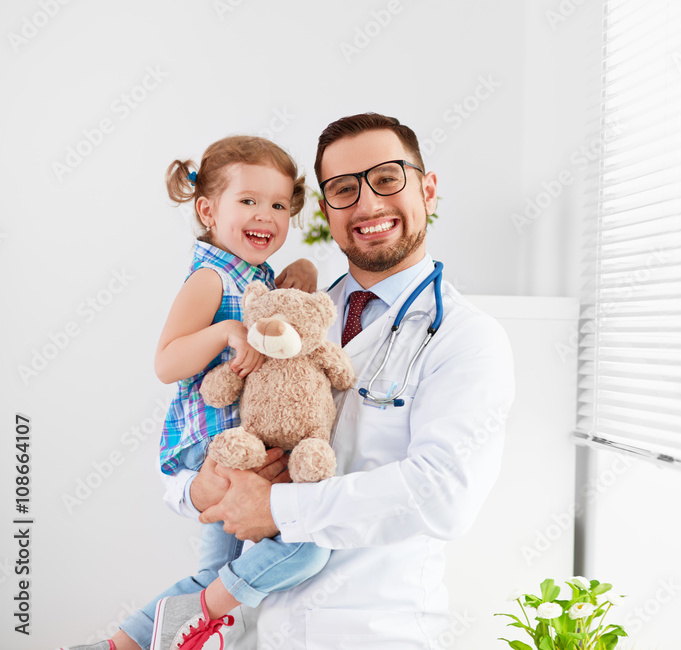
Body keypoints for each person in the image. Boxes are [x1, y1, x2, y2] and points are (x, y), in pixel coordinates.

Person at [172, 113, 516, 648]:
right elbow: (192, 423)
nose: (368, 205)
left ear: (427, 189)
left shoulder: (468, 338)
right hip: (253, 632)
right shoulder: (287, 314)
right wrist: (200, 488)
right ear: (327, 212)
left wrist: (276, 508)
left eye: (387, 179)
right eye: (343, 190)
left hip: (370, 632)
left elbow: (443, 493)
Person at [63, 135, 330, 650]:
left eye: (278, 204)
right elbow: (166, 362)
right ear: (207, 209)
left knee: (215, 574)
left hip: (246, 445)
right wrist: (224, 335)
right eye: (248, 201)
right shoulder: (211, 278)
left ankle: (120, 645)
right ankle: (166, 629)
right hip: (216, 444)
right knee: (302, 551)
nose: (266, 215)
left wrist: (305, 273)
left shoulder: (256, 274)